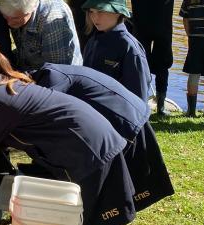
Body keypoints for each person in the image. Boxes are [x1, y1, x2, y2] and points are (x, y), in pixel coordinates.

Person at [0, 38, 134, 225]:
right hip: (99, 131)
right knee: (109, 211)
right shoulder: (7, 81)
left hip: (84, 145)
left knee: (88, 219)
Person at [32, 63, 174, 215]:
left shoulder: (51, 81)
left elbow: (47, 119)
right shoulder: (49, 73)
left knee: (116, 198)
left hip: (128, 123)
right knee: (115, 197)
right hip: (123, 117)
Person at [129, 0, 194, 114]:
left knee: (141, 64)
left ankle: (140, 104)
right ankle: (161, 107)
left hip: (141, 27)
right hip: (162, 28)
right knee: (163, 66)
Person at [0, 0, 81, 71]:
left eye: (15, 18)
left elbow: (56, 74)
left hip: (58, 75)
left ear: (31, 10)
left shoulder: (52, 23)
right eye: (5, 16)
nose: (9, 23)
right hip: (29, 65)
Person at [82, 0, 151, 103]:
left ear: (118, 13)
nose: (94, 17)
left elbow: (139, 98)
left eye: (101, 11)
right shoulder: (92, 41)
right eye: (92, 12)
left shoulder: (130, 48)